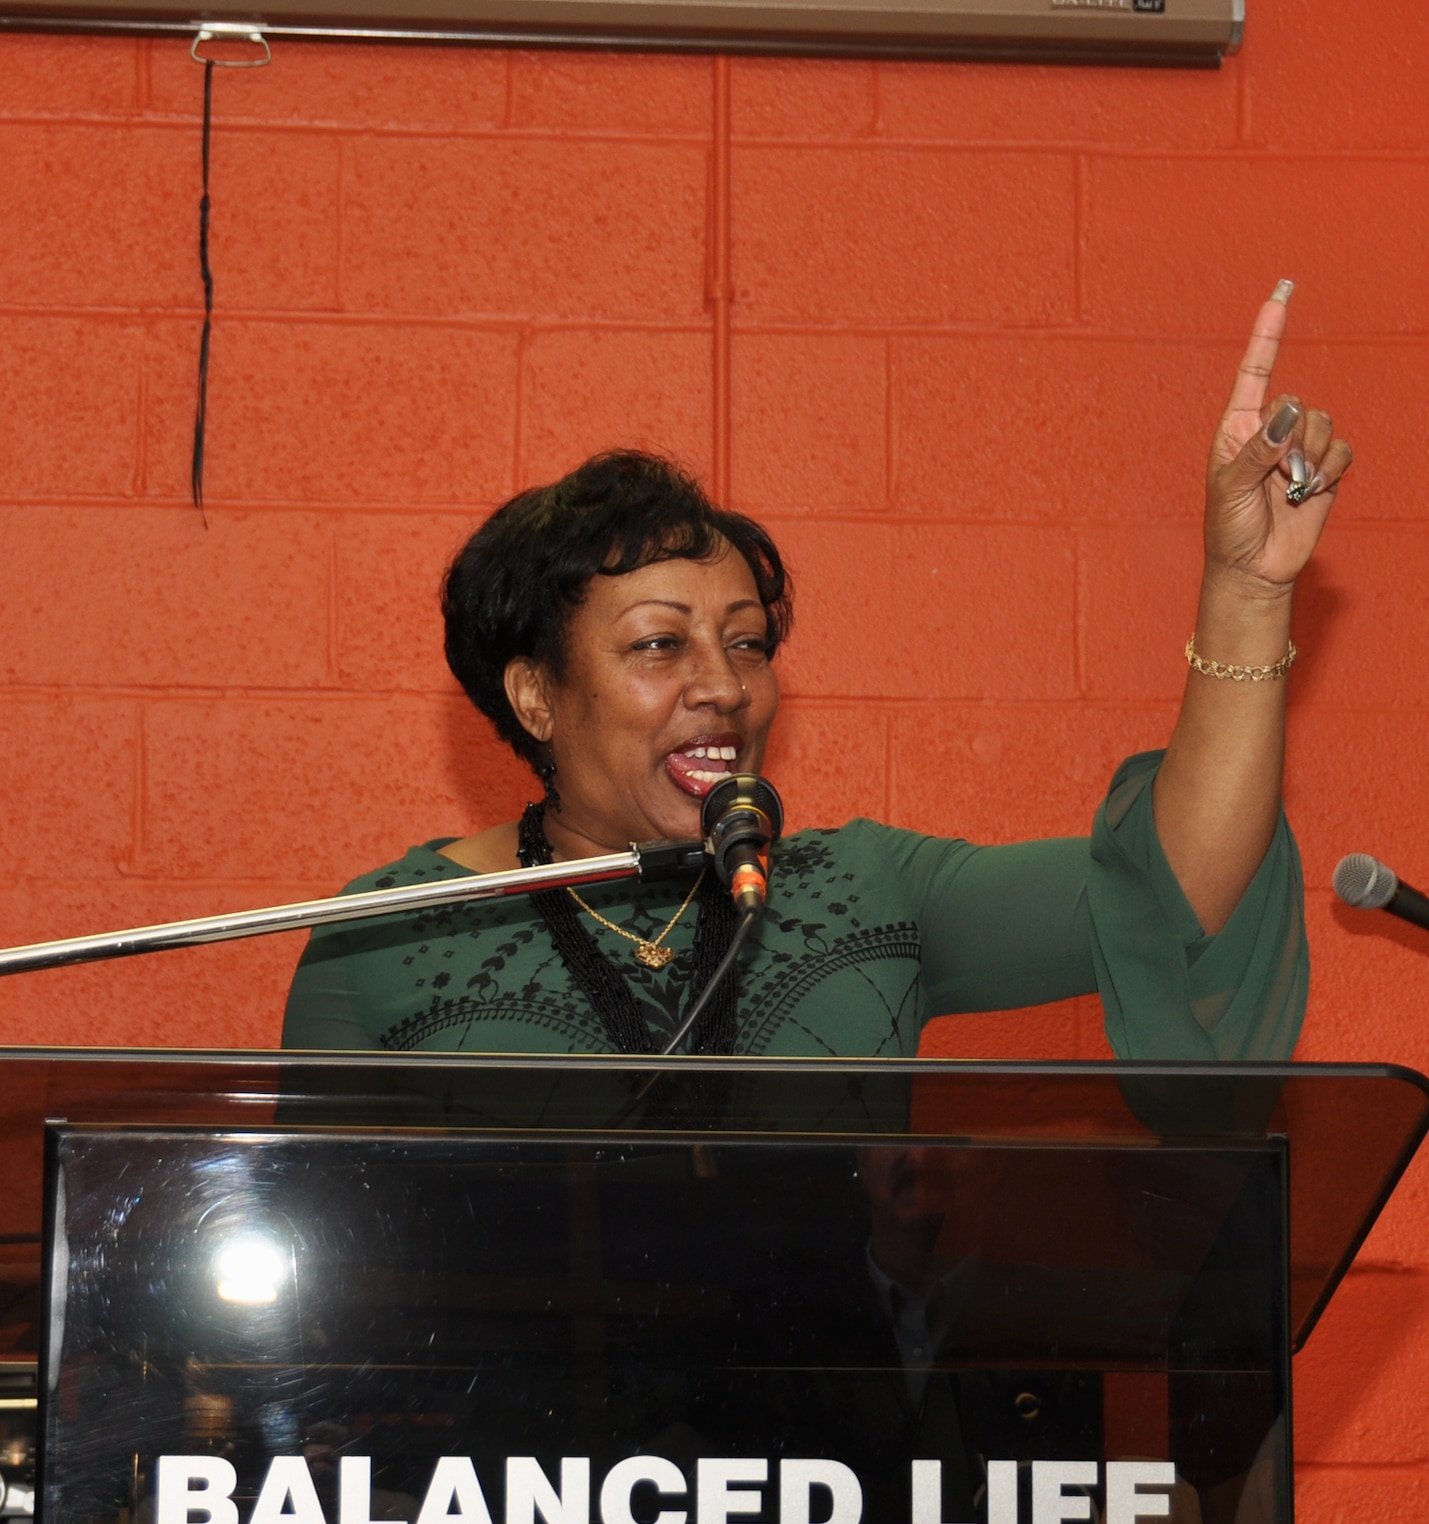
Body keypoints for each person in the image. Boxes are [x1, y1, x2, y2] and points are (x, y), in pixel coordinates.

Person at [282, 285, 1347, 1061]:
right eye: (661, 644)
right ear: (535, 694)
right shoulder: (389, 934)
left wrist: (1246, 591)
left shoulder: (868, 893)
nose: (723, 685)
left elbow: (1177, 893)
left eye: (746, 643)